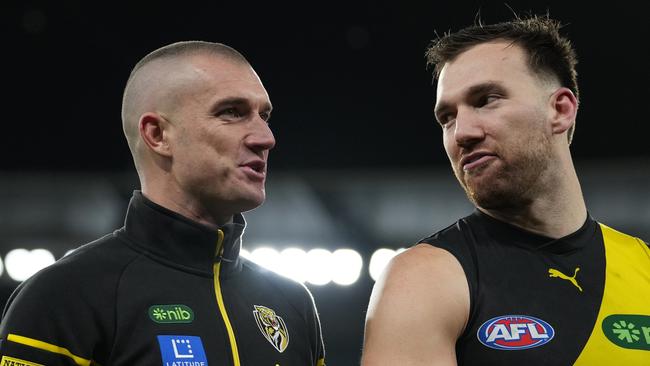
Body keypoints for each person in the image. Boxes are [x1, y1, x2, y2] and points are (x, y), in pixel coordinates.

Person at [0, 41, 326, 366]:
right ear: (157, 135)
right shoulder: (65, 295)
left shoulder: (292, 305)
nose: (265, 137)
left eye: (264, 115)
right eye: (232, 112)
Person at [361, 15, 650, 366]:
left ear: (560, 110)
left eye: (486, 100)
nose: (461, 133)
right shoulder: (425, 279)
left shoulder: (644, 265)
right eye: (447, 118)